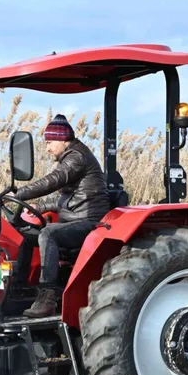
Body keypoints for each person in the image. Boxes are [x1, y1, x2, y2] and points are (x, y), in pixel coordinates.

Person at [11, 114, 110, 318]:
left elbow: (54, 180)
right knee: (26, 235)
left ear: (62, 139)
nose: (47, 148)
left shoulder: (77, 157)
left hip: (89, 223)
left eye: (49, 142)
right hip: (74, 219)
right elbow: (66, 199)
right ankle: (19, 290)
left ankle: (48, 297)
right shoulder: (72, 156)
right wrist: (38, 205)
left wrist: (20, 193)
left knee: (49, 234)